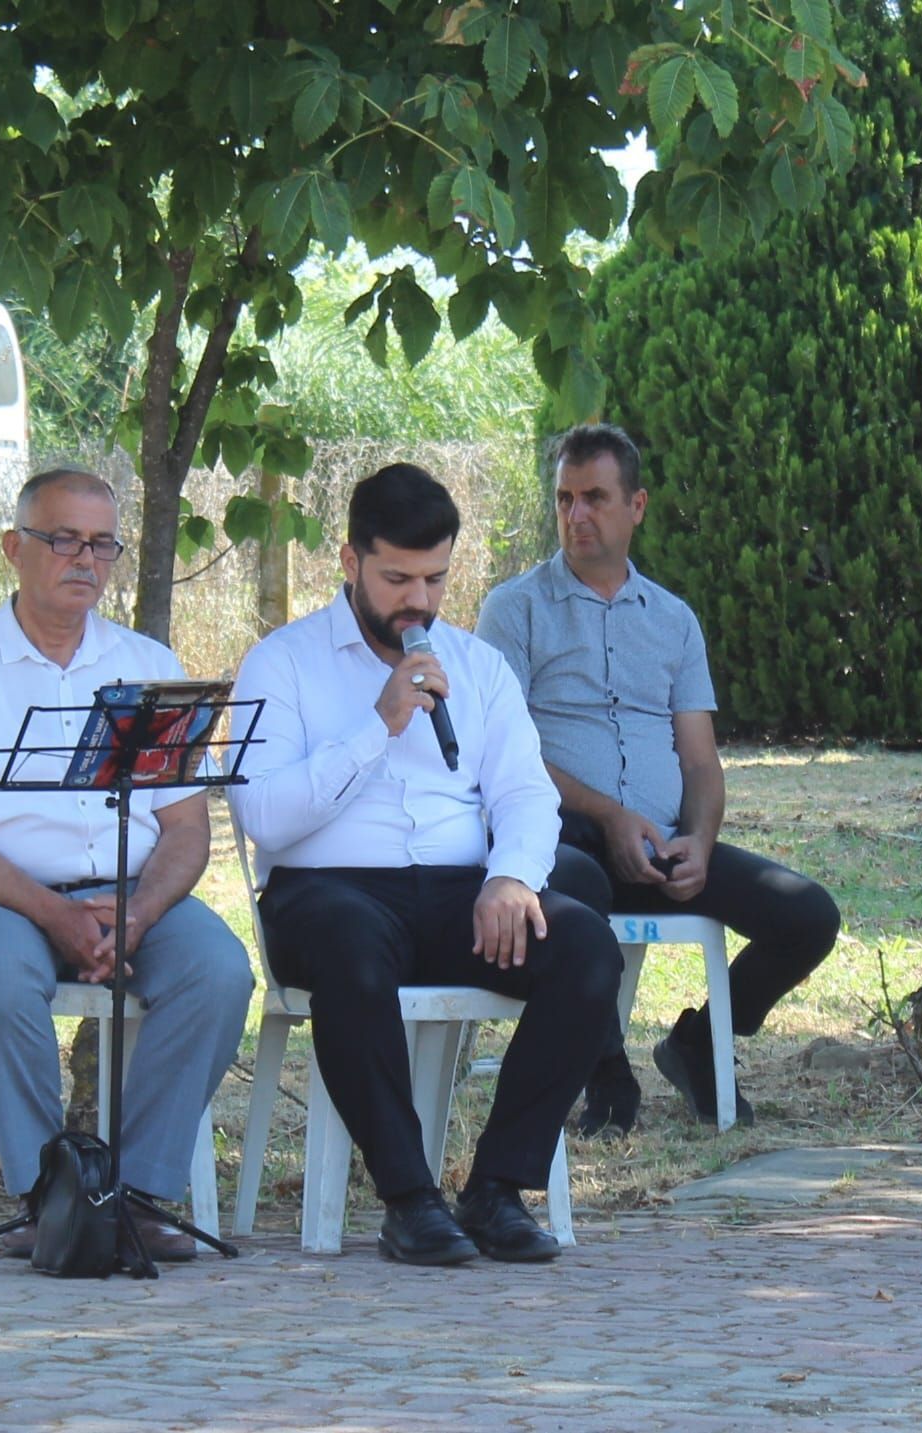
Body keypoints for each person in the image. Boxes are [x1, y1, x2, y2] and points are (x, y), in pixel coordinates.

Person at [230, 463, 623, 1266]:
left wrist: (509, 876)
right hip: (325, 892)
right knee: (350, 950)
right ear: (349, 561)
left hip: (455, 891)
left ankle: (495, 1190)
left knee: (584, 948)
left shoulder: (479, 668)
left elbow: (523, 792)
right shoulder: (282, 663)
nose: (418, 600)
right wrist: (378, 725)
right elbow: (261, 814)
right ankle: (409, 1199)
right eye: (397, 577)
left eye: (435, 578)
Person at [0, 467, 253, 1257]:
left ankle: (139, 1196)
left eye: (101, 544)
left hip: (130, 891)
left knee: (219, 969)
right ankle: (48, 1199)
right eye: (63, 540)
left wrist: (140, 912)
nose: (84, 559)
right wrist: (52, 914)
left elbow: (186, 830)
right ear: (14, 548)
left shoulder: (149, 663)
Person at [476, 424, 840, 1134]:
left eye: (595, 498)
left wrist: (699, 840)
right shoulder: (513, 610)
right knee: (573, 886)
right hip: (561, 837)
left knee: (809, 916)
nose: (577, 515)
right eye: (564, 499)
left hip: (660, 843)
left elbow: (701, 762)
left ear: (636, 505)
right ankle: (605, 1070)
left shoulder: (674, 620)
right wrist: (610, 816)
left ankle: (698, 1044)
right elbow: (503, 754)